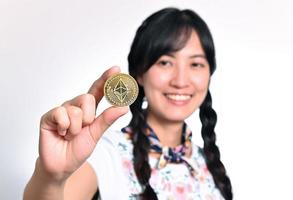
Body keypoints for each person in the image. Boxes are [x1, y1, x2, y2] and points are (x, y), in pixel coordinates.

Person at [24, 7, 233, 200]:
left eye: (196, 64)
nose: (180, 81)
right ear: (139, 74)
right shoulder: (105, 154)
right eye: (165, 62)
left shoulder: (210, 165)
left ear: (209, 74)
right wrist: (51, 178)